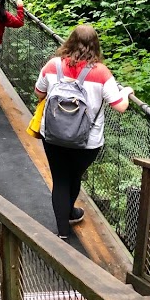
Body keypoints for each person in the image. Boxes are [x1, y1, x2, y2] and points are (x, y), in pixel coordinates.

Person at [35, 24, 133, 240]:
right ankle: (69, 211)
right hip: (87, 141)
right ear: (95, 45)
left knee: (60, 179)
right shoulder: (101, 73)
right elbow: (120, 106)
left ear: (69, 41)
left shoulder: (53, 66)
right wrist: (125, 91)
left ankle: (63, 230)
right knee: (74, 175)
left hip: (53, 135)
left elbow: (39, 92)